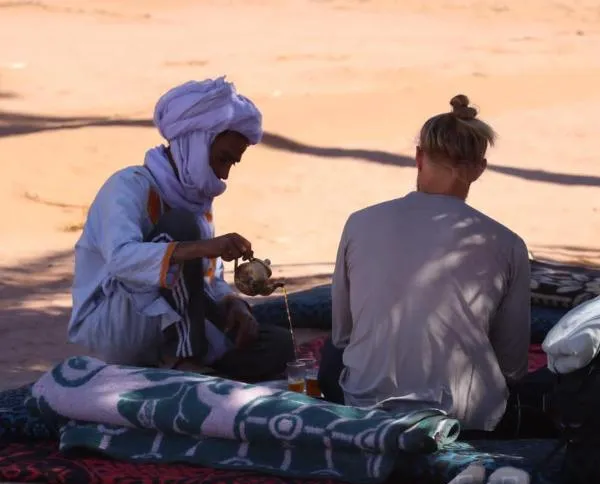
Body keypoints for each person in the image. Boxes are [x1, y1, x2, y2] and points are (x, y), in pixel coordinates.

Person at [318, 94, 542, 435]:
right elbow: (512, 367)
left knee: (335, 358)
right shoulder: (507, 243)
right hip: (468, 416)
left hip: (363, 405)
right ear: (479, 169)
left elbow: (343, 333)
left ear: (419, 157)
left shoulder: (360, 222)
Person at [67, 77, 294, 381]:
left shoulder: (196, 198)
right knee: (181, 226)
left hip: (170, 328)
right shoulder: (129, 185)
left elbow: (204, 281)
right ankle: (187, 359)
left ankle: (190, 365)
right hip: (117, 324)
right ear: (196, 145)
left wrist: (232, 303)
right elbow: (121, 260)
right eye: (222, 158)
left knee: (278, 345)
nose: (224, 173)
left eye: (233, 164)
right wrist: (202, 247)